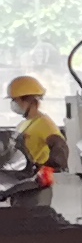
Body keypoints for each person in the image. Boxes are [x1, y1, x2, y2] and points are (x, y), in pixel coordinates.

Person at [6, 73, 63, 208]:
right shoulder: (25, 124)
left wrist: (48, 169)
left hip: (36, 185)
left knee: (33, 218)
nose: (13, 104)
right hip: (22, 183)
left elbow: (60, 147)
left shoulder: (45, 124)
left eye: (15, 100)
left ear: (29, 100)